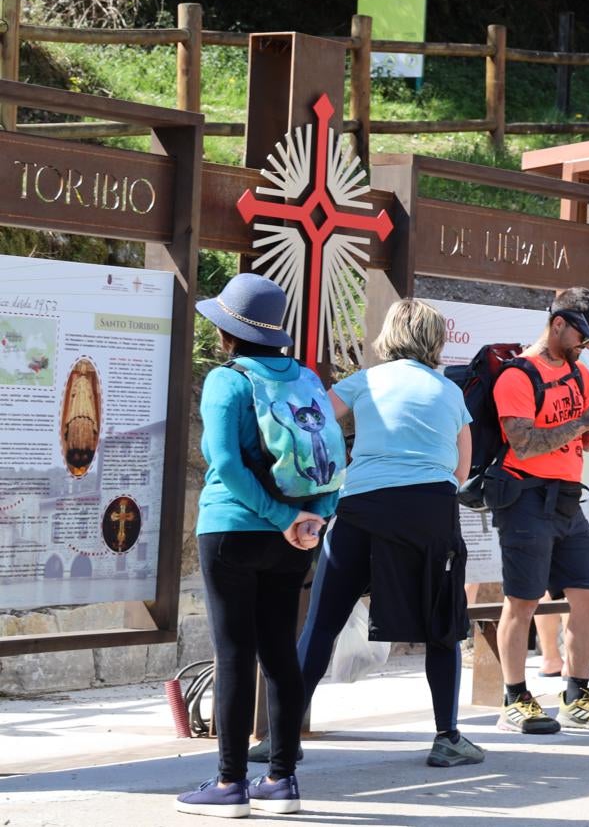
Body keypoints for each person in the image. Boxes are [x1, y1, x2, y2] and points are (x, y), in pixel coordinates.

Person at [176, 274, 336, 817]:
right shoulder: (306, 379)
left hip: (232, 530)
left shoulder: (228, 381)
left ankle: (229, 785)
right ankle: (282, 781)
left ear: (229, 334)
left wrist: (277, 515)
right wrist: (311, 519)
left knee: (234, 653)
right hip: (295, 539)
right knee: (280, 653)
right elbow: (329, 457)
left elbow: (225, 462)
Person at [296, 299, 480, 768]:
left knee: (321, 623)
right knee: (442, 624)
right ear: (435, 342)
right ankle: (447, 737)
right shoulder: (448, 391)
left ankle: (280, 736)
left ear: (389, 335)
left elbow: (314, 423)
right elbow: (462, 468)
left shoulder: (365, 380)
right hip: (428, 510)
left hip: (360, 506)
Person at [491, 287, 589, 735]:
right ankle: (514, 697)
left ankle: (577, 695)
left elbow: (583, 441)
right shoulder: (516, 376)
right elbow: (525, 444)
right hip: (525, 497)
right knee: (523, 601)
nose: (586, 345)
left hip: (568, 498)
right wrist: (586, 419)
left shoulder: (579, 374)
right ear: (557, 324)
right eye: (582, 335)